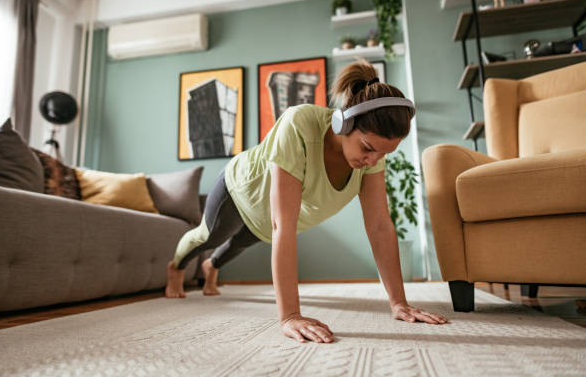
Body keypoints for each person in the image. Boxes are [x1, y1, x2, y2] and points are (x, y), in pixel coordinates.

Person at [165, 59, 448, 344]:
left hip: (266, 220)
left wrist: (398, 302)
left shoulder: (371, 159)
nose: (372, 161)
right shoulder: (299, 124)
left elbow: (379, 226)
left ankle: (210, 268)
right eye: (367, 148)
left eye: (383, 154)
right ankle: (175, 268)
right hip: (241, 191)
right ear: (343, 122)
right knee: (209, 236)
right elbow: (282, 225)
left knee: (237, 245)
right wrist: (290, 316)